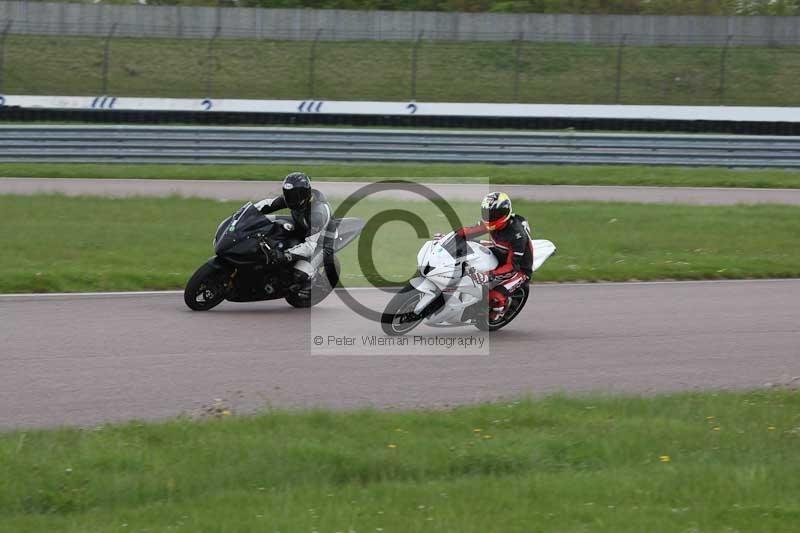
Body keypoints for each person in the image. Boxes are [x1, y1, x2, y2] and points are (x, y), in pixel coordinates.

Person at [454, 191, 533, 322]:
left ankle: (497, 313)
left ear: (505, 213)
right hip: (498, 250)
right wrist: (450, 237)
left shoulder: (517, 235)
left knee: (495, 297)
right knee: (466, 248)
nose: (490, 217)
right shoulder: (490, 223)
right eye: (487, 213)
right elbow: (469, 231)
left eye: (495, 214)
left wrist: (488, 275)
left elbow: (511, 266)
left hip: (519, 268)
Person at [254, 172, 335, 294]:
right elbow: (269, 203)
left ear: (305, 194)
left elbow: (310, 246)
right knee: (270, 225)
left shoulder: (317, 213)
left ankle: (313, 283)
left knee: (298, 274)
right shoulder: (294, 200)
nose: (290, 199)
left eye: (295, 195)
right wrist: (247, 211)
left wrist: (286, 254)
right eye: (288, 195)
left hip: (321, 243)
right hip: (302, 227)